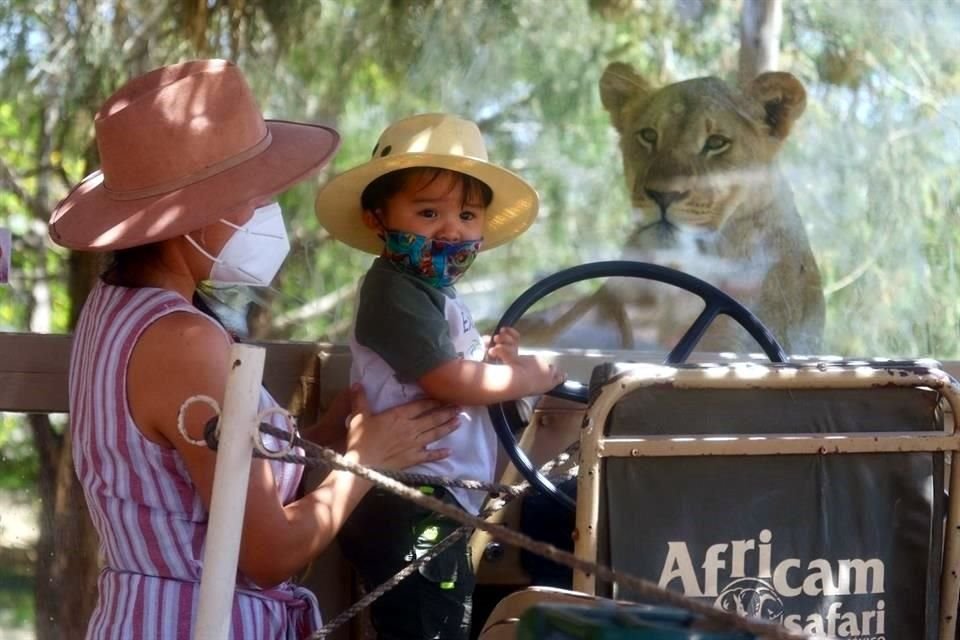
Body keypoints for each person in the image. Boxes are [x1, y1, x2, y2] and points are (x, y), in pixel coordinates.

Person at [48, 60, 460, 639]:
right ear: (188, 214)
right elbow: (269, 554)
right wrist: (370, 461)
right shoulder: (185, 341)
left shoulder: (114, 309)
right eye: (252, 194)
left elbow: (193, 479)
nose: (268, 212)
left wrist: (326, 442)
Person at [314, 113, 566, 639]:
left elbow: (460, 373)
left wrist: (494, 366)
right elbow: (446, 381)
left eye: (469, 215)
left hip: (436, 496)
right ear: (376, 218)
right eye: (428, 212)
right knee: (431, 627)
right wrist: (529, 375)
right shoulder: (395, 290)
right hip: (410, 497)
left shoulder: (434, 292)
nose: (452, 230)